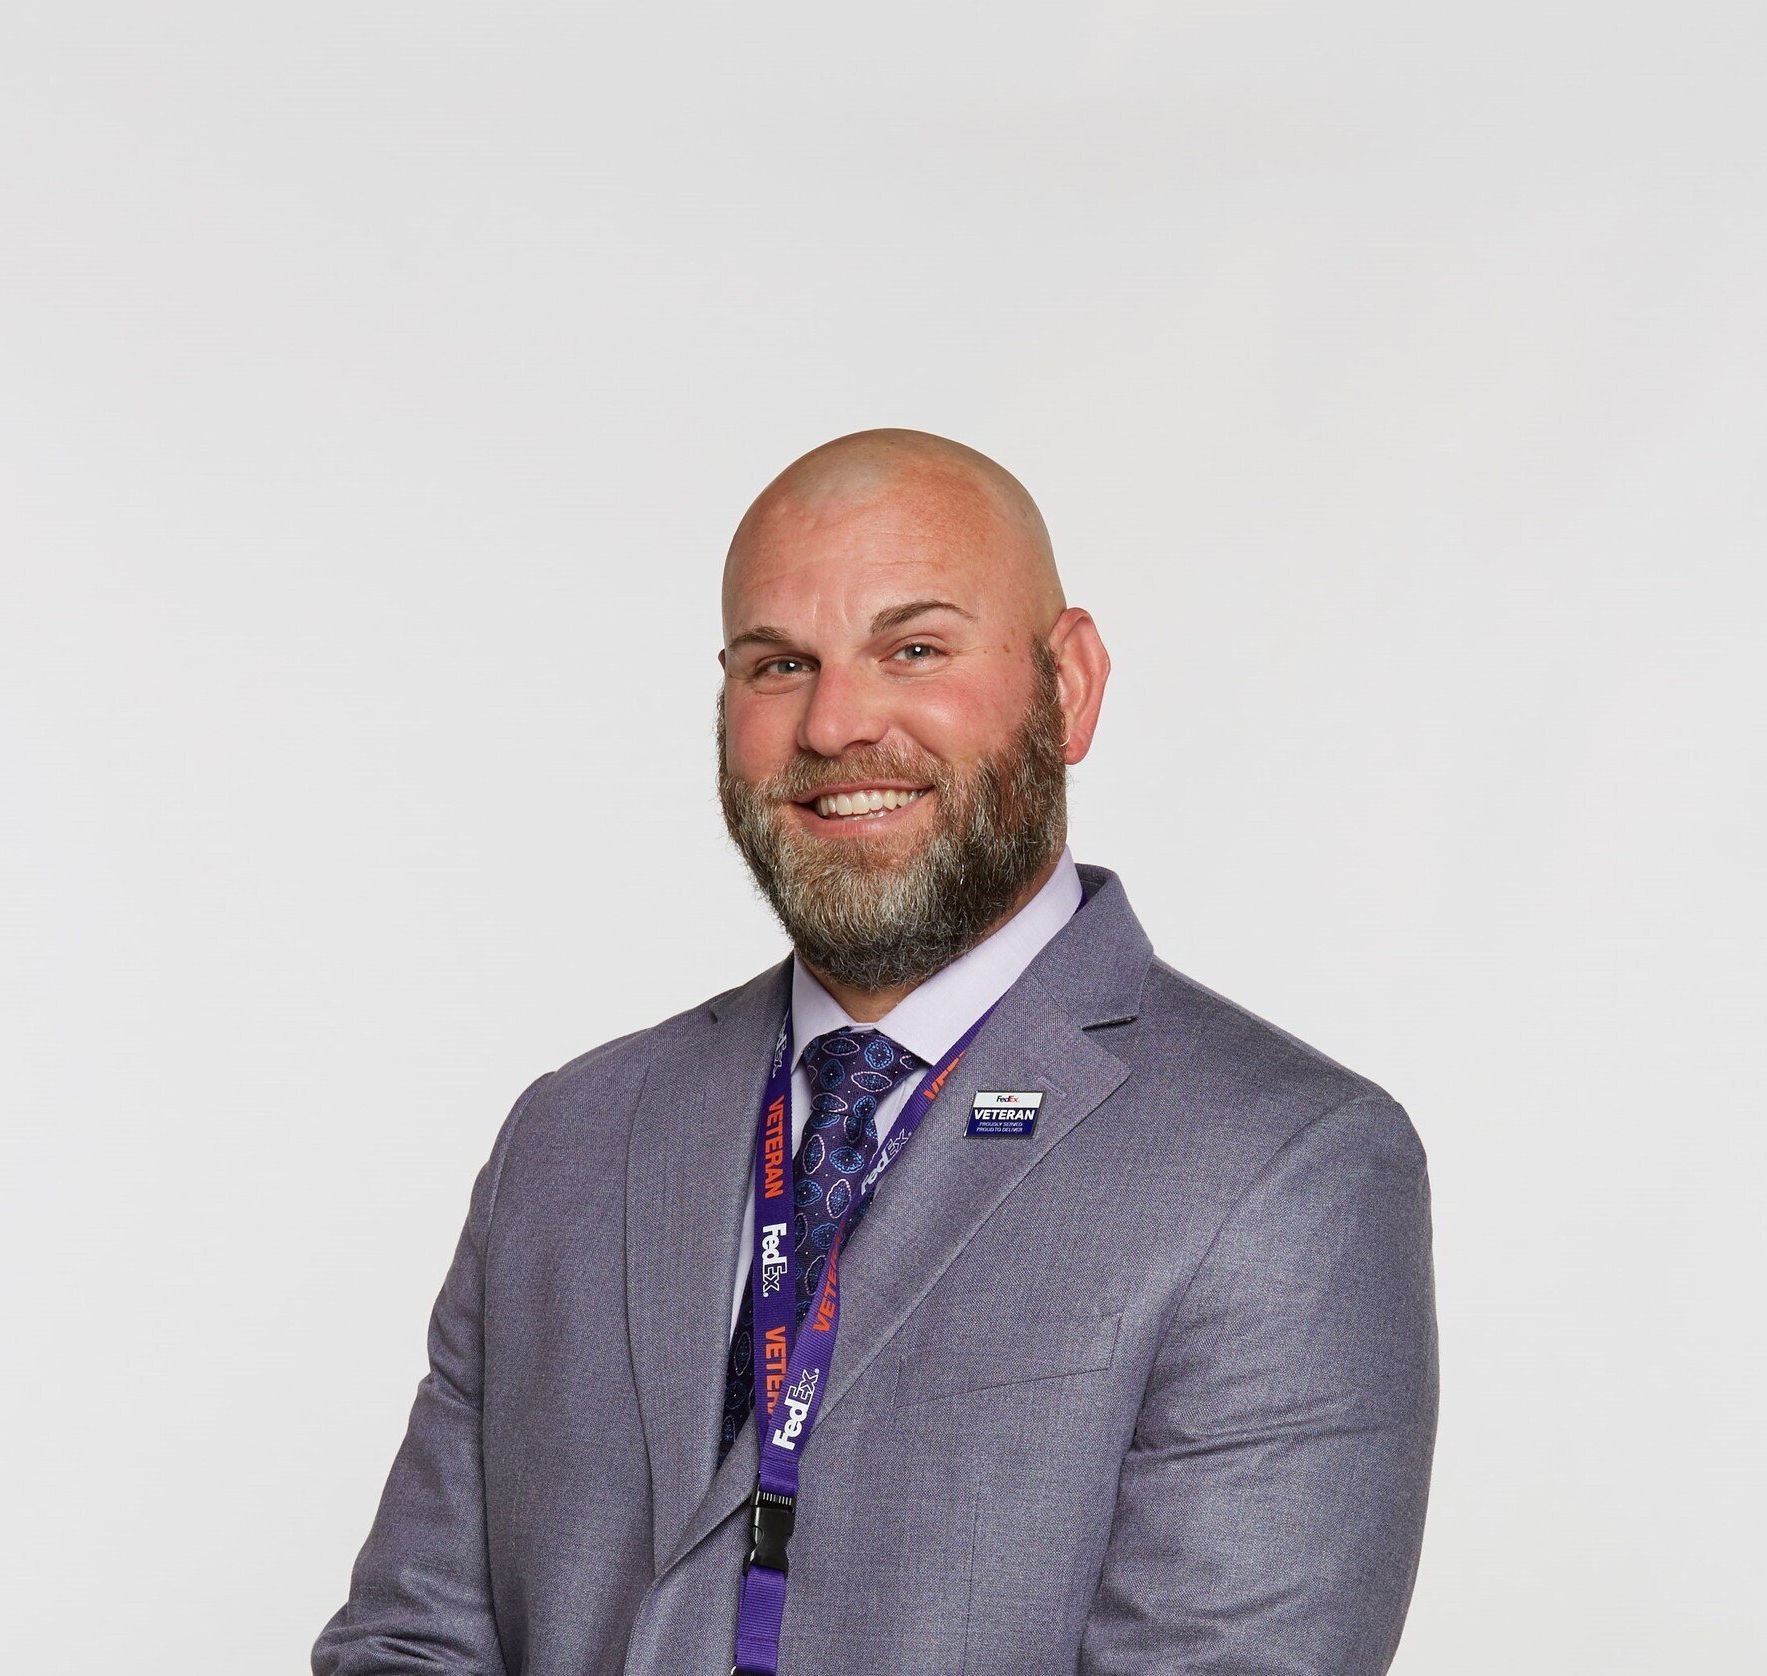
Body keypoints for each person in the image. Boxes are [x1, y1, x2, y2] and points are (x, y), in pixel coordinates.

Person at [312, 429, 1439, 1675]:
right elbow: (408, 1640)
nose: (835, 721)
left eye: (913, 648)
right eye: (779, 663)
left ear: (1068, 683)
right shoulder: (570, 1133)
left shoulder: (1284, 1166)